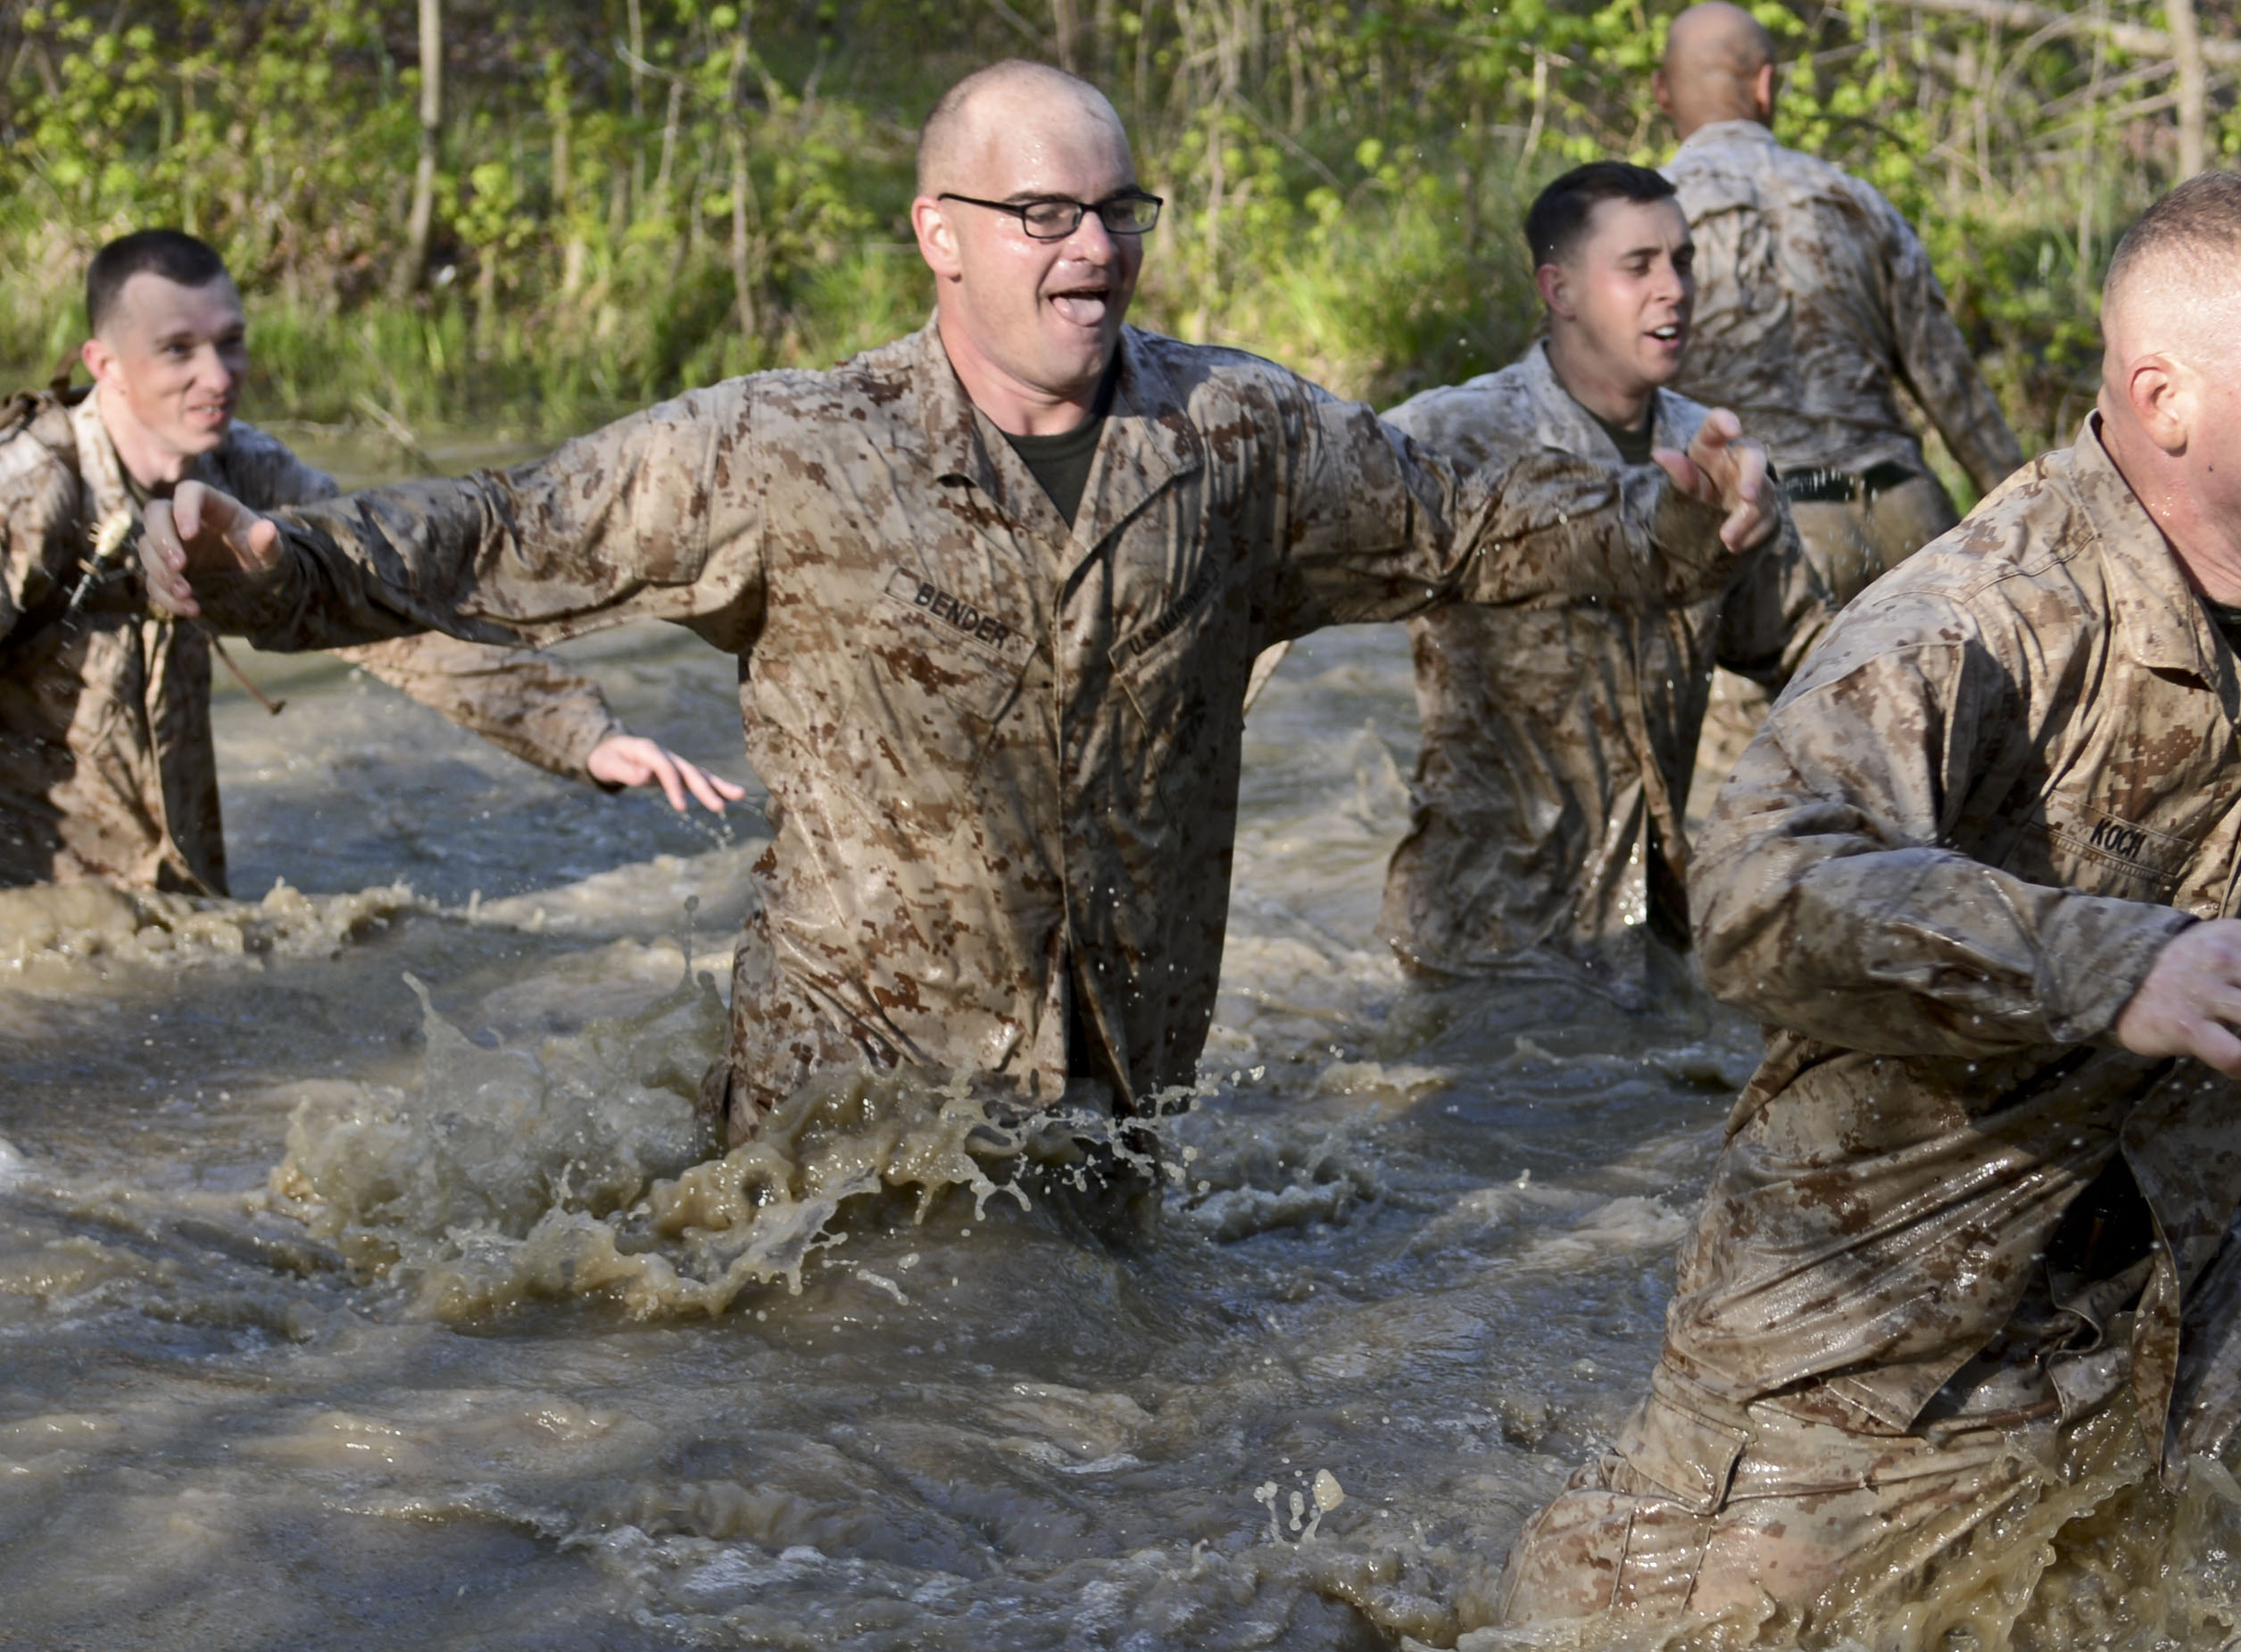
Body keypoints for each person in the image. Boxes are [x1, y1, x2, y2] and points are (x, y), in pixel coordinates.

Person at [139, 62, 1779, 1231]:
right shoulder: (793, 450)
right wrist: (280, 576)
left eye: (1116, 209)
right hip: (852, 1123)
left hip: (1117, 1097)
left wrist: (1673, 530)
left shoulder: (1236, 436)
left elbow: (1467, 524)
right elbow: (511, 531)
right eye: (1044, 212)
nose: (1094, 249)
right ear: (941, 233)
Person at [1501, 171, 2241, 1623]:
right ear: (2166, 399)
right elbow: (1753, 881)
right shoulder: (1978, 615)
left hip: (2170, 1263)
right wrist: (2118, 960)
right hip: (1878, 1334)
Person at [0, 231, 736, 895]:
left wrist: (583, 736)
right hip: (28, 892)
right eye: (177, 350)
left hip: (169, 887)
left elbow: (394, 613)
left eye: (231, 343)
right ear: (106, 364)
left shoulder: (247, 474)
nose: (218, 375)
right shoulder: (32, 486)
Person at [1375, 162, 1823, 1013]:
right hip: (1482, 933)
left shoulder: (1713, 455)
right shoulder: (1445, 437)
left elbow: (1810, 656)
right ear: (1561, 289)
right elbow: (1293, 577)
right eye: (1639, 265)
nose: (1675, 290)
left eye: (1683, 261)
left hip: (1650, 930)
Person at [1655, 2, 2029, 808]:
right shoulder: (1859, 202)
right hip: (1907, 522)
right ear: (1767, 86)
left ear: (1660, 94)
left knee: (1764, 831)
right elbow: (1960, 404)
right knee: (1945, 804)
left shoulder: (1639, 224)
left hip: (1771, 546)